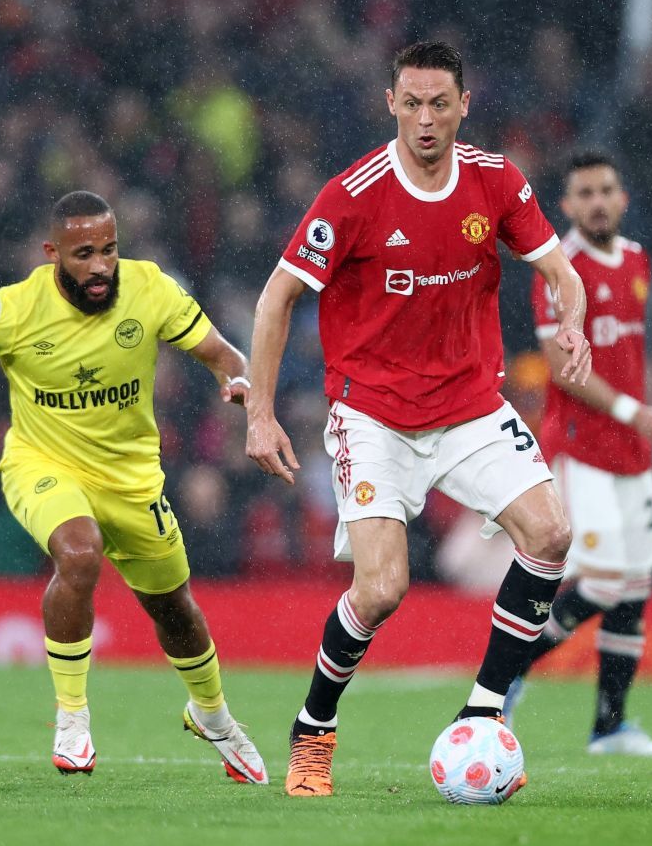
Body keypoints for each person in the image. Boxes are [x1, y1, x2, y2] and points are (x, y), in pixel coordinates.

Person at [245, 40, 591, 798]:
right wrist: (261, 412)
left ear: (465, 106)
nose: (426, 118)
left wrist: (572, 322)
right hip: (373, 415)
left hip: (469, 404)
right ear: (390, 105)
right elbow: (277, 296)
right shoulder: (354, 195)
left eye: (441, 103)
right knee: (382, 589)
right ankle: (314, 728)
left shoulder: (496, 180)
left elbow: (561, 270)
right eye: (412, 103)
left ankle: (486, 711)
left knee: (553, 534)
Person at [0, 190, 266, 783]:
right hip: (43, 464)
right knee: (79, 551)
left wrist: (242, 386)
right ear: (53, 254)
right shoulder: (11, 310)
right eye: (85, 253)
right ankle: (72, 718)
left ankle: (213, 715)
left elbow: (225, 355)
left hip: (133, 476)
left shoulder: (150, 289)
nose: (100, 267)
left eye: (110, 250)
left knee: (174, 609)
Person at [502, 150, 652, 757]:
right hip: (582, 447)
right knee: (605, 579)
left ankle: (610, 726)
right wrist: (638, 412)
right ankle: (508, 669)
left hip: (632, 450)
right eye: (585, 194)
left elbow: (625, 358)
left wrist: (643, 413)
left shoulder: (637, 260)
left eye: (607, 190)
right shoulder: (560, 269)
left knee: (634, 583)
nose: (598, 202)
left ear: (623, 197)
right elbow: (563, 367)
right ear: (567, 205)